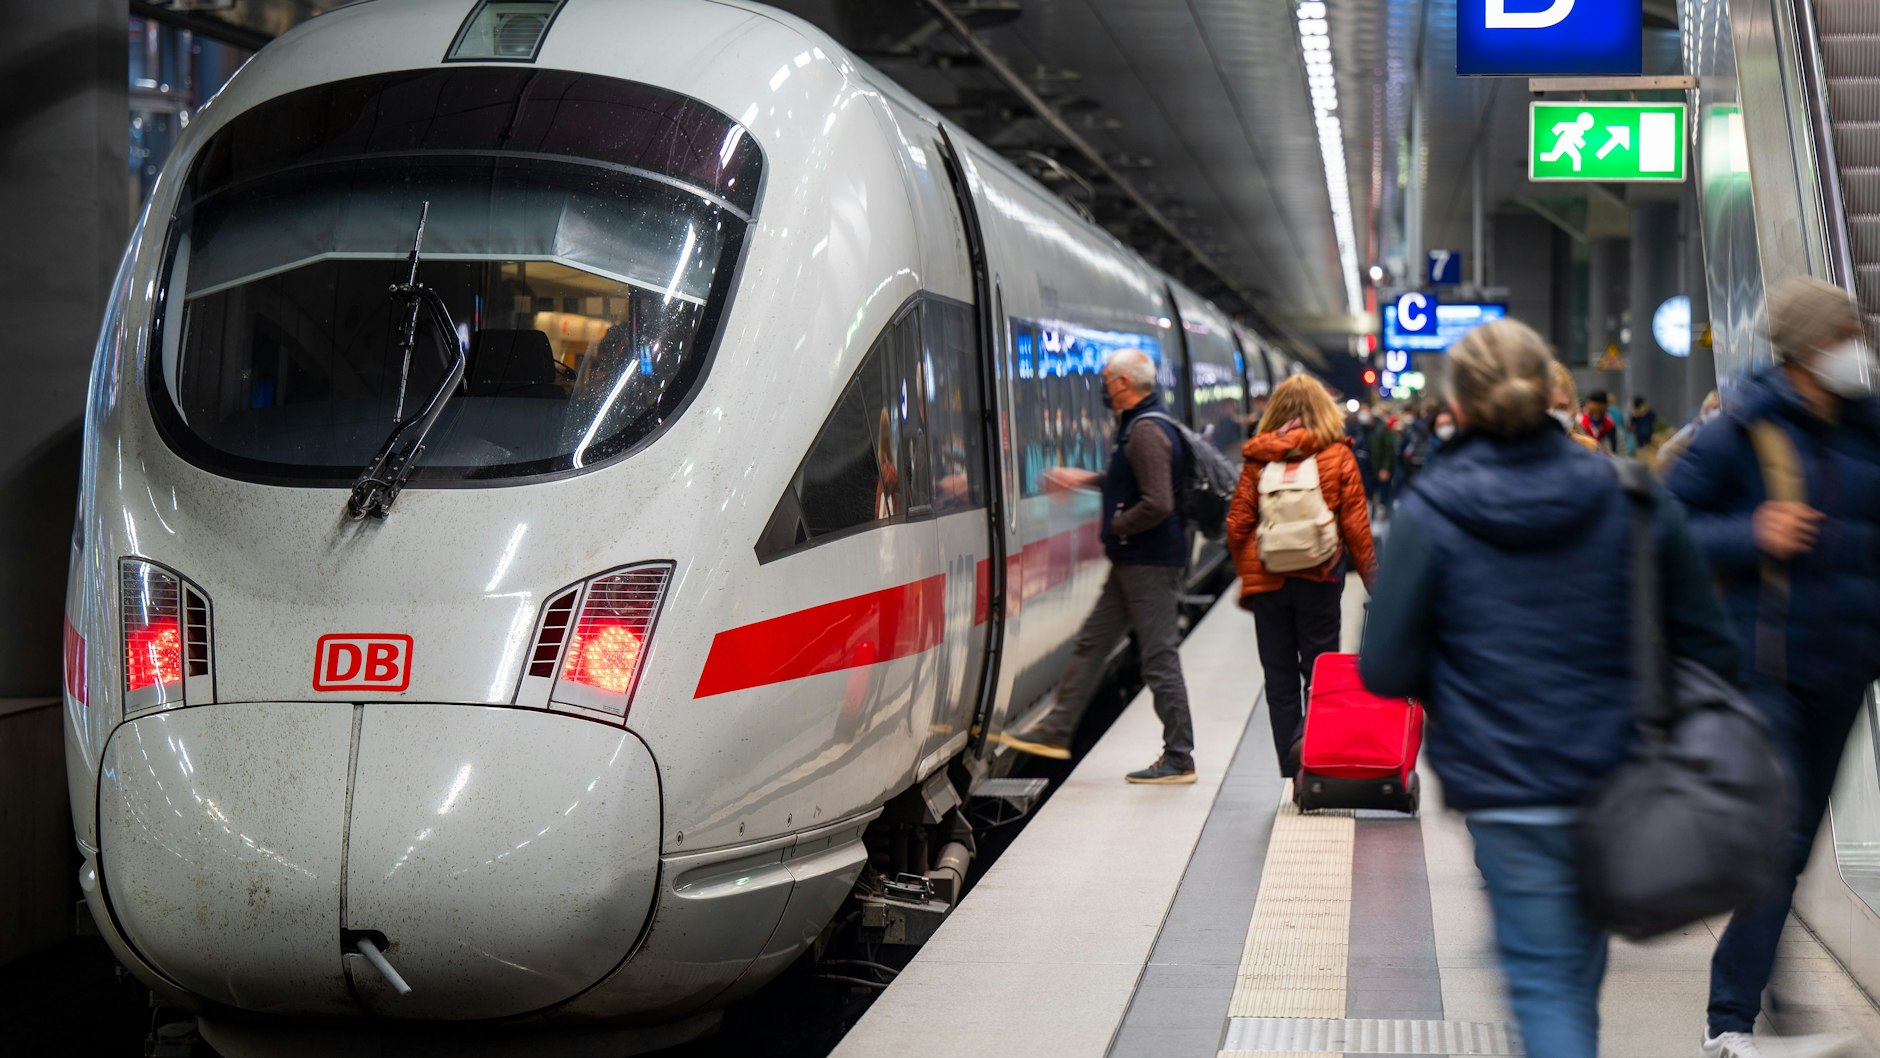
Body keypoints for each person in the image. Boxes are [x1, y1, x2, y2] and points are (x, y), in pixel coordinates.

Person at [1360, 319, 1735, 1058]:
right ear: (1549, 393)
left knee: (1544, 982)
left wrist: (1461, 676)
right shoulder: (1631, 493)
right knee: (1573, 971)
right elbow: (1709, 643)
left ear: (1458, 407)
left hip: (1505, 783)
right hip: (1619, 773)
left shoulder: (1430, 509)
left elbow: (1383, 669)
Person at [1665, 277, 1880, 1058]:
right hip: (1765, 665)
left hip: (1843, 666)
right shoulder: (1743, 431)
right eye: (1842, 337)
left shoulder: (1869, 427)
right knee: (1780, 837)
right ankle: (1730, 1021)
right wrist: (1749, 532)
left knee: (1789, 845)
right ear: (1806, 351)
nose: (1858, 350)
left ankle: (1764, 1000)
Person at [998, 348, 1197, 784]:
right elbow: (1133, 482)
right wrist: (1084, 479)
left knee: (1158, 657)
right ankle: (1056, 729)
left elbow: (1158, 502)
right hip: (1132, 562)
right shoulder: (1137, 426)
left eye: (1107, 379)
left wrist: (1119, 527)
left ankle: (1180, 757)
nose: (1103, 387)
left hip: (1148, 562)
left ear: (1124, 383)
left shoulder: (1145, 431)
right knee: (1092, 643)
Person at [1223, 376, 1377, 775]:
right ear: (1325, 410)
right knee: (1321, 674)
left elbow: (1237, 527)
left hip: (1269, 583)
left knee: (1279, 679)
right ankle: (1315, 763)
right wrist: (1376, 586)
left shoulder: (1258, 457)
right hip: (1320, 579)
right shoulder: (1338, 454)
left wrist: (1252, 571)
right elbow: (1357, 530)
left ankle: (1291, 767)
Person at [1653, 389, 1721, 476]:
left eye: (1719, 408)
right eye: (1714, 408)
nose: (1717, 412)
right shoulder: (1693, 429)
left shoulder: (1719, 434)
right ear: (1706, 409)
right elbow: (1664, 452)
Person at [1350, 404, 1400, 514]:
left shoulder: (1382, 429)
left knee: (1384, 498)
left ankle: (1389, 517)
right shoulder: (1361, 430)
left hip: (1380, 469)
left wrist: (1385, 468)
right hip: (1367, 471)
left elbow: (1389, 450)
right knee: (1369, 498)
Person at [1549, 363, 1602, 452]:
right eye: (1543, 407)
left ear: (1574, 409)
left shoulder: (1588, 450)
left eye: (1562, 407)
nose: (1551, 415)